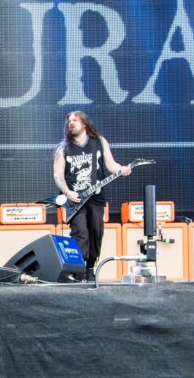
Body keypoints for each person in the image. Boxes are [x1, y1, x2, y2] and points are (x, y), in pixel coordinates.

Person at [53, 111, 131, 280]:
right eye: (69, 121)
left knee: (96, 232)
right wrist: (67, 192)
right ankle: (78, 270)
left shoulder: (99, 142)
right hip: (74, 200)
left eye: (75, 120)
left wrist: (121, 169)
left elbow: (110, 164)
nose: (71, 123)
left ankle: (89, 268)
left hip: (96, 197)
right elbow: (58, 176)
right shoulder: (63, 148)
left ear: (84, 124)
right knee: (80, 233)